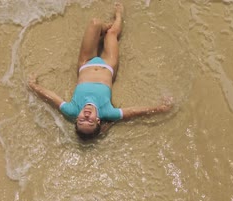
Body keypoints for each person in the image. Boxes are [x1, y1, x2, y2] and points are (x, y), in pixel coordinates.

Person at [28, 2, 173, 140]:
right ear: (98, 120)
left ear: (76, 118)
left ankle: (102, 28)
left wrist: (34, 86)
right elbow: (135, 112)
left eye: (81, 121)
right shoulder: (107, 112)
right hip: (108, 65)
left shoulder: (70, 110)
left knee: (95, 23)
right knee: (111, 33)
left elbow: (51, 97)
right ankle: (119, 15)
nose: (86, 117)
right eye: (90, 122)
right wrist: (161, 108)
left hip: (86, 62)